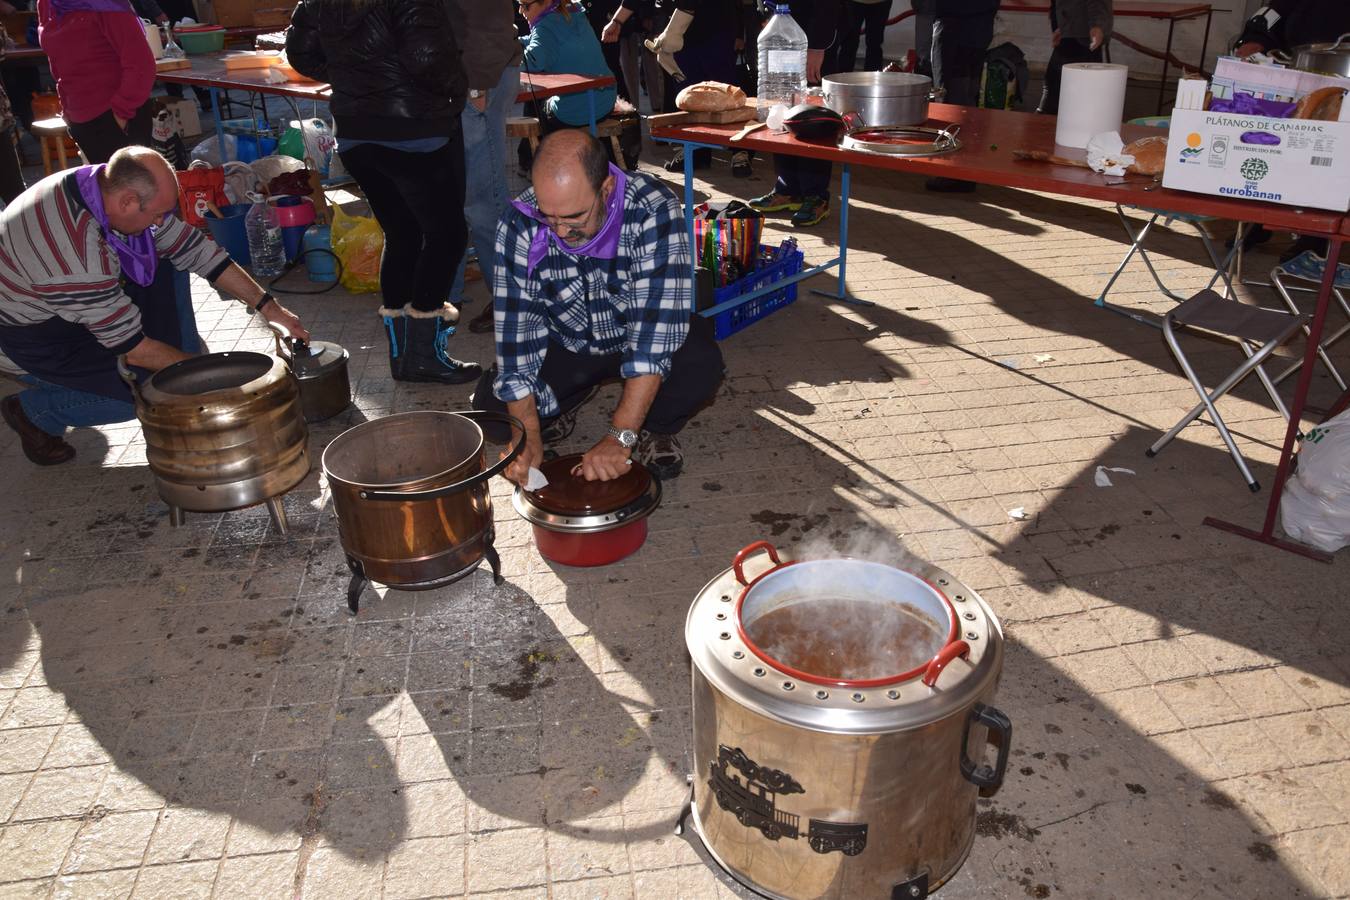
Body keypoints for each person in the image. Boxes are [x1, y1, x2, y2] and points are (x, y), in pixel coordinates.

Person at [0, 147, 308, 466]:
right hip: (35, 335)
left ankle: (183, 371)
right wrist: (206, 383)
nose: (161, 221)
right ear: (128, 202)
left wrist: (271, 308)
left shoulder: (104, 185)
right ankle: (34, 412)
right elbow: (132, 348)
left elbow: (195, 249)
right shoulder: (75, 257)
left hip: (73, 302)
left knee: (168, 256)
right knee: (149, 395)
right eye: (157, 214)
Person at [472, 130, 723, 483]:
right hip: (568, 342)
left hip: (636, 335)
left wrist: (619, 437)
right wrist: (525, 436)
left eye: (573, 217)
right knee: (494, 414)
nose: (558, 231)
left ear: (605, 189)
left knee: (701, 363)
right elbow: (517, 337)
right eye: (549, 216)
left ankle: (656, 427)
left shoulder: (652, 209)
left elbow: (653, 339)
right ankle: (573, 395)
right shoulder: (520, 223)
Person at [287, 0, 481, 385]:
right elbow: (427, 57)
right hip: (412, 129)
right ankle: (422, 355)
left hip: (357, 133)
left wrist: (355, 81)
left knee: (403, 233)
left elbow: (300, 52)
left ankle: (403, 354)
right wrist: (458, 88)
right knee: (446, 236)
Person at [606, 0, 749, 176]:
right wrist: (617, 21)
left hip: (716, 25)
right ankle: (696, 150)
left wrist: (740, 31)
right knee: (689, 96)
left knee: (727, 92)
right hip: (681, 33)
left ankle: (740, 151)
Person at [453, 1, 523, 336]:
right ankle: (446, 298)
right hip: (468, 79)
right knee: (461, 197)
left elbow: (486, 18)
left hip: (479, 80)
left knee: (484, 204)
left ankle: (509, 303)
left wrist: (476, 85)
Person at [748, 0, 843, 228]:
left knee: (812, 121)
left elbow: (827, 6)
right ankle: (787, 189)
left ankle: (816, 195)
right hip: (780, 33)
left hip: (809, 40)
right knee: (781, 116)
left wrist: (818, 46)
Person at [36, 0, 156, 165]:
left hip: (116, 117)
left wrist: (121, 113)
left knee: (128, 188)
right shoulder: (47, 3)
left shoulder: (106, 4)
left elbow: (140, 63)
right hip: (80, 118)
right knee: (102, 189)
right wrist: (68, 110)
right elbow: (57, 60)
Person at [927, 0, 998, 192]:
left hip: (954, 31)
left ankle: (953, 171)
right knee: (968, 103)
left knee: (950, 103)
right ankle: (966, 169)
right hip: (978, 31)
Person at [519, 0, 617, 130]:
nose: (520, 11)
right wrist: (517, 41)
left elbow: (529, 63)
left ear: (547, 2)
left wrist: (503, 57)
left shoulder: (545, 26)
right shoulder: (573, 12)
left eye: (525, 6)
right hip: (606, 101)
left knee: (533, 102)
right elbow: (540, 39)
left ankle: (535, 149)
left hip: (576, 111)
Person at [1035, 0, 1110, 115]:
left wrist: (1097, 25)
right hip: (1072, 31)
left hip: (1082, 36)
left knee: (1066, 92)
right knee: (1055, 88)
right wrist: (1061, 27)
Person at [838, 0, 894, 72]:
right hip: (852, 2)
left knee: (875, 44)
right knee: (848, 44)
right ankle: (842, 79)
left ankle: (873, 81)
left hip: (881, 3)